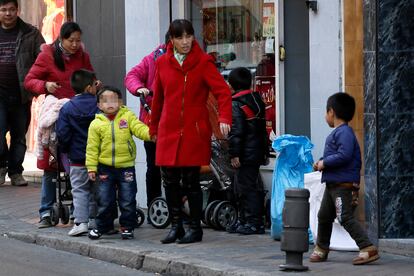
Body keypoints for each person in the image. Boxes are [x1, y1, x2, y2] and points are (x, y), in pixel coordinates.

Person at [150, 19, 232, 244]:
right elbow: (158, 98)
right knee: (169, 180)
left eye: (188, 36)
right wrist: (153, 126)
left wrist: (225, 117)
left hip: (194, 130)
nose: (185, 42)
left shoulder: (204, 62)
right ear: (172, 39)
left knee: (191, 181)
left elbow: (223, 92)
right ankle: (176, 226)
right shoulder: (162, 63)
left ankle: (195, 228)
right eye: (179, 37)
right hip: (168, 129)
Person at [24, 21, 94, 228]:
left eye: (78, 40)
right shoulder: (47, 54)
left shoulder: (82, 55)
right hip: (55, 115)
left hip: (78, 115)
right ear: (61, 39)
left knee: (77, 164)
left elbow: (91, 76)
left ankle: (77, 210)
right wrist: (45, 85)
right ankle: (46, 211)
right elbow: (30, 80)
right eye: (71, 40)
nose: (75, 45)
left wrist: (94, 85)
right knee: (50, 166)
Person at [310, 92, 379, 265]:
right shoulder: (340, 133)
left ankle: (367, 247)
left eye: (326, 112)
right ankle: (322, 248)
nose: (325, 116)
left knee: (345, 217)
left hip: (343, 186)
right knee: (324, 215)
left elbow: (344, 155)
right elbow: (338, 155)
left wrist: (324, 163)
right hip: (333, 184)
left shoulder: (344, 132)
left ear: (331, 112)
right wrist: (321, 162)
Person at [86, 86, 151, 240]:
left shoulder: (127, 117)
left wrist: (151, 134)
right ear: (99, 105)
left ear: (121, 102)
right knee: (104, 199)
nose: (110, 104)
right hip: (104, 168)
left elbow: (139, 128)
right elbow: (92, 148)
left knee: (128, 198)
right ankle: (102, 226)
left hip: (126, 167)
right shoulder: (96, 124)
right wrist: (91, 168)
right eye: (105, 101)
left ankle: (127, 227)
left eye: (114, 100)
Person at [0, 0, 45, 186]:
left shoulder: (31, 33)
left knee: (19, 135)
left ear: (17, 10)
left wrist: (37, 85)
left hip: (21, 93)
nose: (8, 13)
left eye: (11, 9)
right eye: (3, 10)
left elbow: (43, 58)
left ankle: (16, 172)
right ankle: (1, 167)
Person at [124, 32, 168, 219]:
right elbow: (132, 75)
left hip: (178, 121)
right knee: (154, 166)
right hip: (153, 120)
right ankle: (153, 205)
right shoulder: (153, 58)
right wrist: (139, 88)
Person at [56, 69, 100, 236]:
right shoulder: (99, 105)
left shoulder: (67, 108)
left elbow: (63, 134)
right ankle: (96, 220)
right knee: (97, 190)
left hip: (77, 158)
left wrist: (66, 150)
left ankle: (81, 222)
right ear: (89, 88)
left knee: (80, 190)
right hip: (98, 158)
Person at [226, 67, 268, 235]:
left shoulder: (236, 103)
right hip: (257, 151)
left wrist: (234, 154)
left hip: (245, 153)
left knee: (246, 188)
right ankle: (245, 220)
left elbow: (236, 132)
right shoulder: (257, 100)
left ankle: (253, 222)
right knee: (246, 186)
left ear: (232, 84)